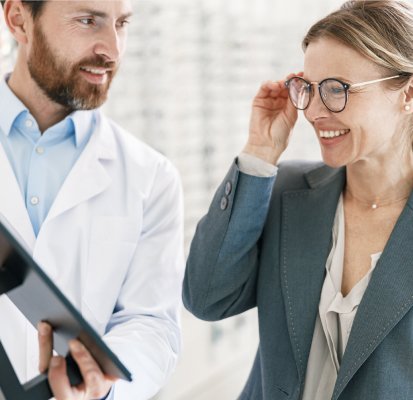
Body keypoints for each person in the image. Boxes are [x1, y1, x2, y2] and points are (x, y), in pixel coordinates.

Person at [183, 1, 413, 399]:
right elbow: (206, 299)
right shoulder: (286, 191)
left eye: (337, 89)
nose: (315, 111)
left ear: (407, 93)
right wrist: (259, 152)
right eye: (308, 87)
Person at [0, 1, 184, 399]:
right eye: (88, 21)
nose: (113, 50)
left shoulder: (151, 177)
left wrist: (102, 387)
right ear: (19, 19)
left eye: (121, 24)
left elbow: (152, 323)